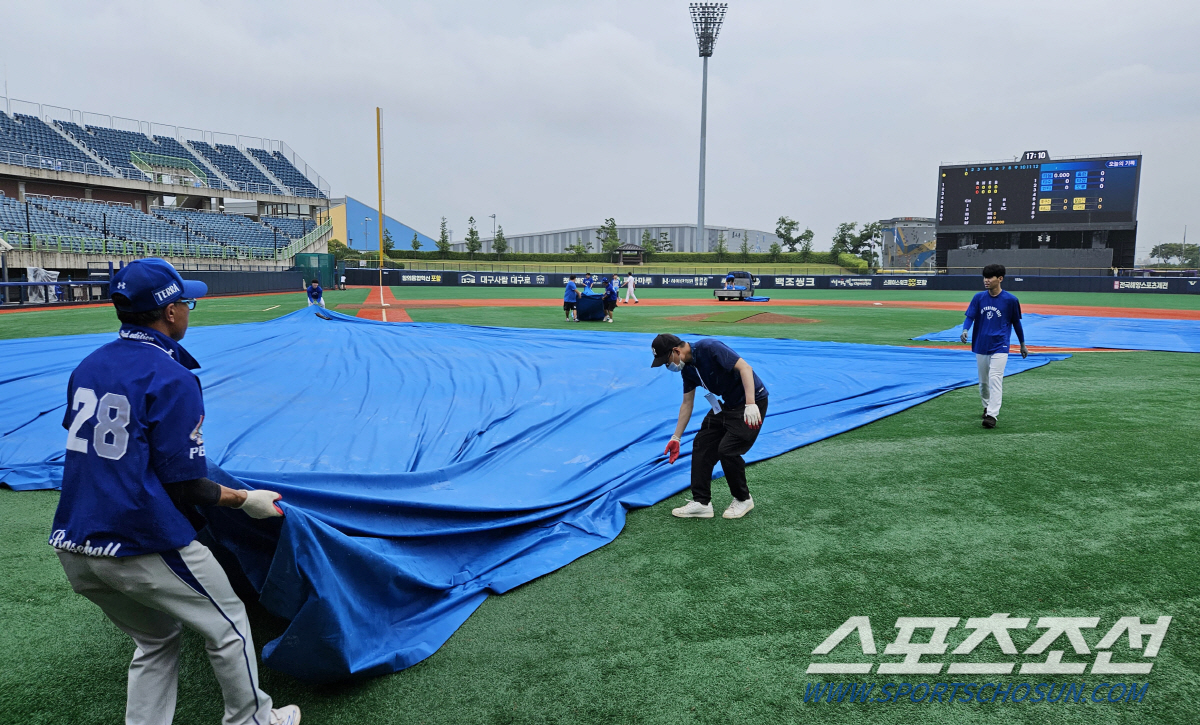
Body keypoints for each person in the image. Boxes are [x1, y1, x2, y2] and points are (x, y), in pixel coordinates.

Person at [50, 258, 301, 725]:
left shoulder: (90, 363)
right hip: (139, 539)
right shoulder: (172, 376)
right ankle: (253, 721)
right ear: (169, 313)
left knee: (156, 638)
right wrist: (247, 501)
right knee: (229, 627)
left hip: (72, 541)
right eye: (186, 301)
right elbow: (186, 484)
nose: (190, 309)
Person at [651, 333, 768, 519]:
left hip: (751, 404)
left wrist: (751, 403)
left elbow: (745, 368)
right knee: (702, 444)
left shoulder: (709, 347)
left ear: (675, 351)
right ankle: (701, 502)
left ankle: (743, 499)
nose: (667, 366)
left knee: (727, 450)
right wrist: (676, 437)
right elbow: (687, 403)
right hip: (725, 405)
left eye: (666, 361)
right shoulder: (687, 370)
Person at [959, 263, 1028, 429]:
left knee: (995, 378)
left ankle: (992, 415)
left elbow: (1016, 323)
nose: (986, 280)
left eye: (990, 277)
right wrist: (965, 329)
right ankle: (987, 406)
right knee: (983, 382)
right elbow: (970, 316)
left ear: (1000, 279)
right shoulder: (978, 298)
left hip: (1001, 345)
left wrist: (1022, 344)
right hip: (981, 344)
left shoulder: (1011, 300)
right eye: (985, 277)